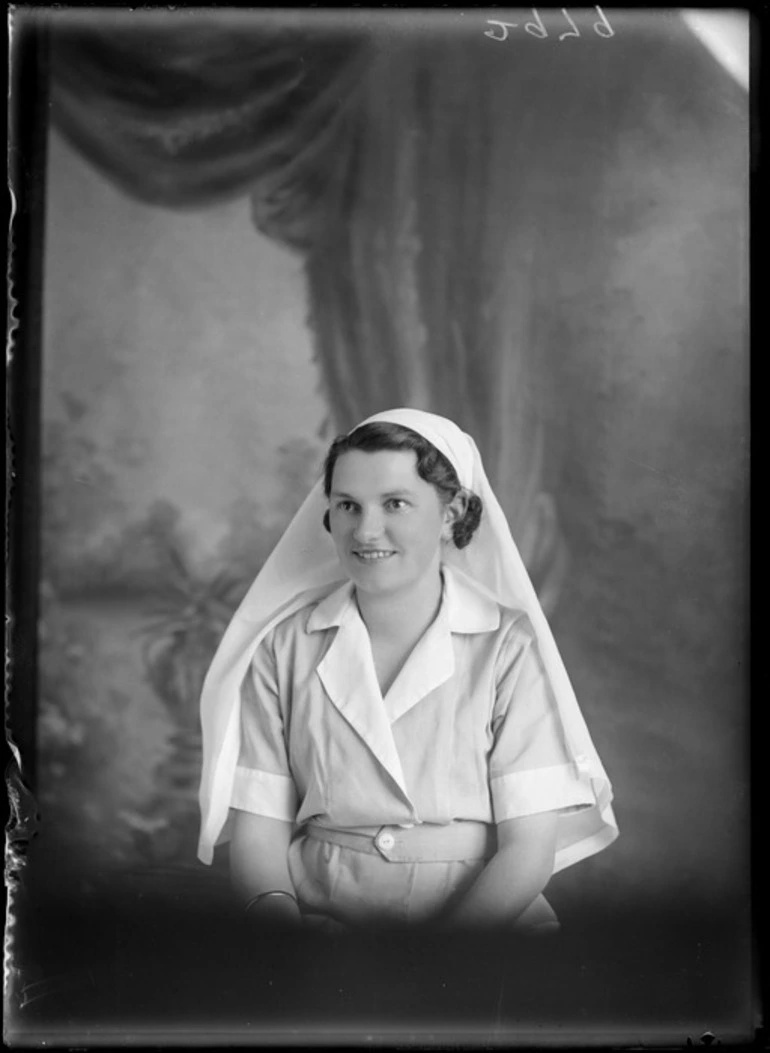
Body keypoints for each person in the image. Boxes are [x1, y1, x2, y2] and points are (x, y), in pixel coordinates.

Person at [198, 409, 618, 931]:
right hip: (319, 914)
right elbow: (259, 830)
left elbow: (528, 851)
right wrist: (289, 930)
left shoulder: (506, 646)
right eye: (347, 505)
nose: (366, 530)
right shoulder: (283, 647)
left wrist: (434, 964)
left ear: (451, 512)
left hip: (481, 928)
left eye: (395, 503)